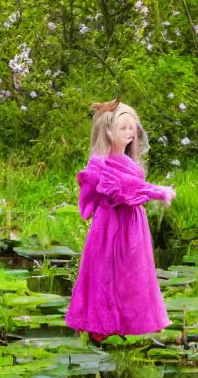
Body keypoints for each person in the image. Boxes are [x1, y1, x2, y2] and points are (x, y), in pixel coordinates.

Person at [65, 99, 175, 342]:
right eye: (123, 128)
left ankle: (128, 319)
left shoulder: (128, 162)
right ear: (108, 131)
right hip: (111, 226)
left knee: (132, 272)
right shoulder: (101, 163)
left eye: (131, 128)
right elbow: (124, 188)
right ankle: (100, 324)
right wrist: (157, 191)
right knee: (106, 272)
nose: (129, 133)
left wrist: (150, 191)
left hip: (132, 225)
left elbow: (133, 186)